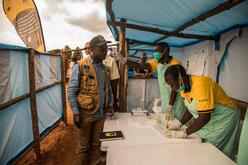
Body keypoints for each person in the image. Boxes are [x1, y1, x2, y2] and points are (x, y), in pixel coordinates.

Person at [164, 64, 240, 159]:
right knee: (201, 146)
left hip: (225, 118)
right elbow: (191, 108)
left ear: (181, 77)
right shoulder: (183, 88)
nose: (173, 89)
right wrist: (178, 123)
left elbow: (204, 118)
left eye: (172, 84)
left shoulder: (201, 84)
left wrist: (184, 133)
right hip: (211, 119)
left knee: (213, 153)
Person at [67, 35, 114, 165]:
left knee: (96, 145)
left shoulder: (105, 69)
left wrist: (110, 104)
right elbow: (71, 91)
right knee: (83, 147)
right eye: (101, 49)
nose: (105, 52)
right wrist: (76, 113)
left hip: (101, 114)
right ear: (92, 49)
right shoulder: (81, 65)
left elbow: (108, 89)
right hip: (86, 114)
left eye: (106, 49)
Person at [154, 42, 186, 121]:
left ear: (166, 50)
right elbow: (142, 65)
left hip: (176, 101)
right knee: (165, 124)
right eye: (155, 51)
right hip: (166, 100)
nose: (156, 53)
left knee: (177, 123)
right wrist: (124, 60)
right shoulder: (159, 64)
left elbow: (175, 87)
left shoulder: (176, 64)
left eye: (158, 51)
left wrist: (170, 106)